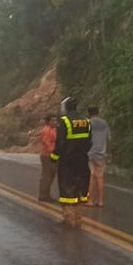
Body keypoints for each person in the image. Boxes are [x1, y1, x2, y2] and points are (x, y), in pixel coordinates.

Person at [50, 96, 92, 227]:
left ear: (66, 107)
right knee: (79, 188)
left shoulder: (64, 121)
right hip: (82, 160)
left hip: (67, 161)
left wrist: (54, 157)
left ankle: (69, 219)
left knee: (67, 189)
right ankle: (78, 219)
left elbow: (60, 143)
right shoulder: (86, 121)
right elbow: (89, 141)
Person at [85, 106, 110, 207]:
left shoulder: (88, 123)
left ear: (89, 113)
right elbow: (109, 138)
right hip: (101, 153)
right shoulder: (105, 123)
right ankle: (100, 201)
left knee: (91, 175)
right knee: (100, 176)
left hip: (90, 153)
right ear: (98, 112)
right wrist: (109, 152)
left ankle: (89, 200)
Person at [38, 115, 58, 202]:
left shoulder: (53, 129)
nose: (55, 122)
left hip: (52, 155)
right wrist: (54, 151)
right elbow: (47, 143)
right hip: (47, 155)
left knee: (50, 175)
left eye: (55, 121)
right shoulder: (46, 130)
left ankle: (46, 194)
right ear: (48, 122)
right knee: (47, 175)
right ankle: (43, 195)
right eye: (53, 121)